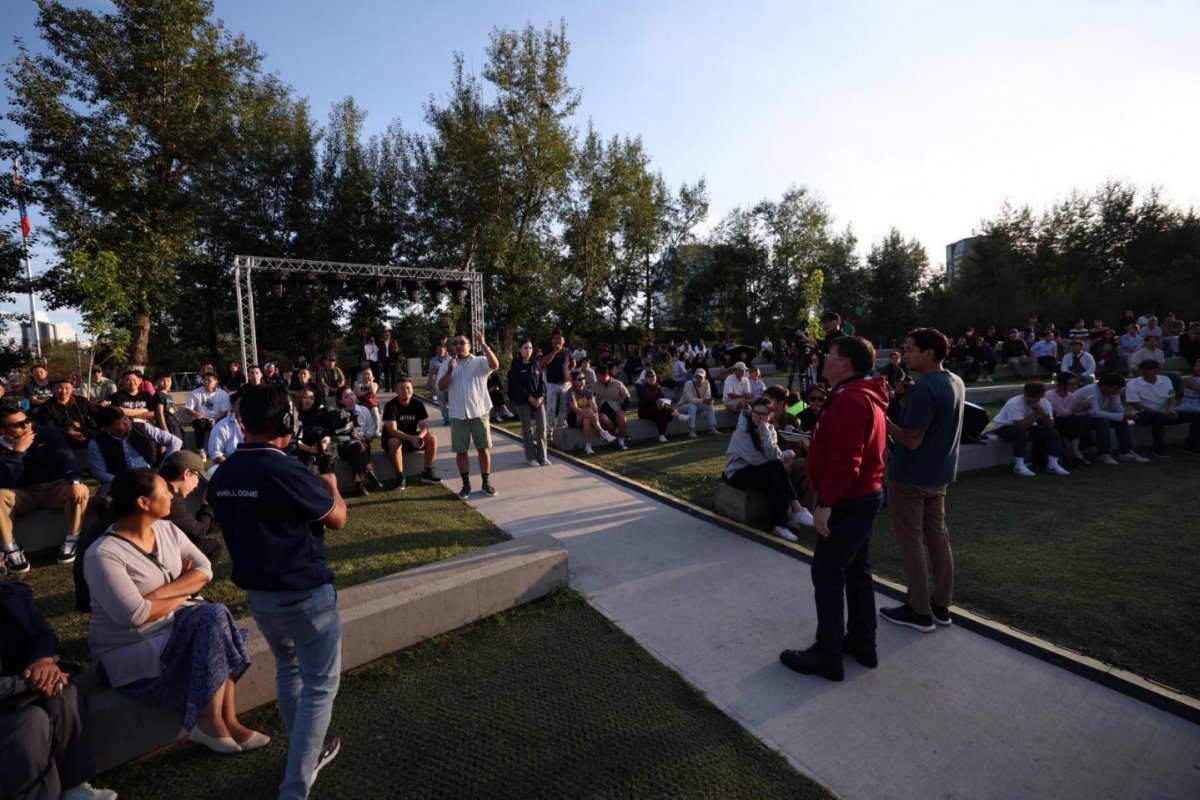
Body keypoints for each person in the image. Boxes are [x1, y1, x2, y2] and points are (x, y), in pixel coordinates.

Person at [209, 385, 348, 798]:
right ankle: (295, 786)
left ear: (243, 422)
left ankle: (307, 752)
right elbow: (337, 518)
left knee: (289, 670)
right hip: (305, 596)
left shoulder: (224, 473)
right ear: (286, 420)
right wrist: (331, 484)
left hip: (260, 597)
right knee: (319, 688)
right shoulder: (285, 470)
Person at [84, 469, 263, 755]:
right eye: (164, 490)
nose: (171, 495)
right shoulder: (103, 554)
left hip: (170, 625)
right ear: (143, 502)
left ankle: (227, 721)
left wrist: (157, 595)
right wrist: (185, 589)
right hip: (129, 647)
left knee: (216, 619)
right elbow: (134, 616)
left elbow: (204, 569)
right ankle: (210, 721)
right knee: (214, 617)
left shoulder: (167, 529)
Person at [779, 336, 889, 682]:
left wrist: (825, 502)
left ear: (846, 363)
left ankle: (828, 654)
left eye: (830, 355)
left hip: (849, 500)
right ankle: (862, 642)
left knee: (827, 573)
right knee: (856, 571)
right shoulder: (856, 394)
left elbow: (846, 459)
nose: (823, 359)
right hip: (862, 496)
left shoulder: (851, 399)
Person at [881, 329, 965, 633]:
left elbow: (911, 439)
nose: (905, 356)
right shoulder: (955, 381)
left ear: (929, 353)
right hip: (939, 473)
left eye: (910, 350)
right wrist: (904, 400)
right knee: (938, 538)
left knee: (911, 542)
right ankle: (940, 605)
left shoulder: (925, 388)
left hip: (911, 475)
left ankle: (918, 610)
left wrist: (882, 418)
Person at [0, 581, 115, 800]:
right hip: (13, 692)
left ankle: (75, 787)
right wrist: (30, 680)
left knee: (64, 694)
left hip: (25, 685)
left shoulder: (12, 593)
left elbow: (44, 634)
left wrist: (44, 661)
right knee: (31, 721)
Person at [1, 406, 89, 572]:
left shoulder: (47, 433)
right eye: (18, 425)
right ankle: (10, 548)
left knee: (80, 489)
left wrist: (74, 481)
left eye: (27, 421)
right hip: (21, 493)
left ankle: (72, 538)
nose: (26, 426)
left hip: (53, 487)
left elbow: (66, 458)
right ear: (3, 430)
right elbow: (6, 481)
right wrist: (18, 453)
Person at [722, 398, 811, 542]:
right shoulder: (742, 432)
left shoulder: (769, 429)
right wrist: (784, 457)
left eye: (763, 414)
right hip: (736, 474)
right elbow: (758, 460)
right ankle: (795, 511)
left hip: (758, 469)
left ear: (771, 415)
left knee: (775, 476)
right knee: (776, 470)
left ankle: (781, 522)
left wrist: (765, 432)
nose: (758, 417)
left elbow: (773, 455)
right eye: (755, 413)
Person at [437, 332, 500, 499]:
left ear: (469, 345)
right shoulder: (447, 364)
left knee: (483, 449)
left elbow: (495, 365)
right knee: (461, 451)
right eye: (455, 343)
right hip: (458, 415)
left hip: (479, 412)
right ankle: (466, 485)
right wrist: (449, 371)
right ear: (452, 347)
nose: (458, 345)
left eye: (462, 343)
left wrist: (484, 345)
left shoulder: (480, 361)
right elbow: (441, 387)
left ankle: (486, 483)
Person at [87, 405, 182, 496]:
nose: (127, 423)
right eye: (120, 423)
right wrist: (126, 481)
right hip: (120, 481)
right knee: (103, 497)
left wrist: (162, 468)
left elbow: (175, 441)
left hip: (148, 476)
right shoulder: (96, 443)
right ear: (107, 429)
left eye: (125, 418)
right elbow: (99, 472)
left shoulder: (142, 428)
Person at [991, 382, 1070, 477]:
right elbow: (1021, 426)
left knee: (1052, 433)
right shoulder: (1014, 403)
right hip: (1003, 427)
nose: (1030, 399)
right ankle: (1018, 466)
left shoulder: (1045, 403)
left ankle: (1052, 465)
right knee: (1021, 434)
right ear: (1024, 393)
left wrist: (1044, 415)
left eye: (1034, 397)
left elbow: (1050, 426)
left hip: (1026, 426)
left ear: (1042, 395)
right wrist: (1036, 412)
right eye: (1028, 396)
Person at [1126, 359, 1200, 457]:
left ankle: (1191, 446)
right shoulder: (1132, 384)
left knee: (1197, 416)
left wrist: (1171, 409)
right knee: (1158, 417)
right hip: (1142, 414)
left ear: (1158, 370)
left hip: (1165, 413)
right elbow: (1137, 406)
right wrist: (1161, 413)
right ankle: (1158, 449)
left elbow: (1171, 398)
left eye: (1150, 368)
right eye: (1143, 369)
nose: (1146, 371)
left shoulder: (1166, 380)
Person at [1069, 373, 1147, 465]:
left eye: (1119, 389)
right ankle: (1104, 454)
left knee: (1120, 421)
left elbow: (1118, 411)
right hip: (1075, 417)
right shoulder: (1091, 390)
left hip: (1091, 418)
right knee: (1103, 421)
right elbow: (1094, 413)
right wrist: (1121, 416)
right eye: (1115, 388)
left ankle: (1126, 452)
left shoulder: (1111, 393)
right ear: (1105, 386)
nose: (1117, 391)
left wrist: (1114, 400)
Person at [381, 377, 441, 490]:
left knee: (432, 438)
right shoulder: (390, 406)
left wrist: (419, 437)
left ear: (412, 389)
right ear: (396, 391)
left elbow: (424, 426)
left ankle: (427, 473)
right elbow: (392, 430)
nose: (406, 391)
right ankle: (400, 478)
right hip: (393, 439)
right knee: (394, 442)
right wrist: (411, 438)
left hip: (412, 438)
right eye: (402, 389)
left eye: (408, 388)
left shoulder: (418, 404)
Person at [329, 386, 383, 496]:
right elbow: (335, 437)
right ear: (340, 401)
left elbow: (372, 428)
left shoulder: (363, 410)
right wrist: (352, 438)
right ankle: (369, 472)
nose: (351, 398)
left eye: (352, 394)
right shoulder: (337, 415)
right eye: (346, 397)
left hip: (361, 444)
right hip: (345, 446)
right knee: (360, 446)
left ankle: (360, 485)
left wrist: (366, 435)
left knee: (360, 447)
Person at [507, 341, 549, 467]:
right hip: (523, 401)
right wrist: (528, 397)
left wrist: (541, 396)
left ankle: (542, 457)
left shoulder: (536, 364)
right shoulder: (516, 365)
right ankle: (531, 458)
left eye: (530, 348)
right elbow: (516, 385)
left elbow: (542, 382)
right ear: (520, 350)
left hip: (538, 401)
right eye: (525, 348)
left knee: (542, 429)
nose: (528, 350)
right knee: (527, 430)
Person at [565, 372, 617, 455]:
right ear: (574, 381)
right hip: (574, 417)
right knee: (588, 410)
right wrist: (590, 415)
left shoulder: (588, 390)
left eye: (584, 378)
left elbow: (593, 404)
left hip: (587, 416)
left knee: (586, 420)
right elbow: (575, 408)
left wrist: (595, 416)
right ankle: (602, 432)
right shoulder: (570, 392)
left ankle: (588, 447)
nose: (582, 381)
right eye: (579, 379)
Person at [1046, 373, 1090, 467]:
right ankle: (1077, 454)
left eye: (1075, 384)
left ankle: (1079, 453)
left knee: (1082, 419)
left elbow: (1070, 412)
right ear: (1061, 384)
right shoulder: (1051, 395)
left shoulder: (1070, 395)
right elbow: (1063, 413)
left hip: (1065, 421)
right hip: (1051, 421)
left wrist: (1083, 407)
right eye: (1070, 384)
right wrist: (1078, 405)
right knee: (1073, 420)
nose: (1073, 387)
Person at [184, 372, 231, 455]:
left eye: (209, 381)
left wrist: (215, 419)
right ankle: (201, 449)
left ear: (216, 382)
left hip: (216, 418)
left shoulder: (223, 394)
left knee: (223, 424)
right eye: (204, 380)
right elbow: (188, 409)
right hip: (200, 419)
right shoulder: (195, 393)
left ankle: (221, 450)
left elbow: (224, 411)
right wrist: (197, 414)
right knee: (200, 423)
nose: (206, 382)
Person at [37, 378, 95, 447]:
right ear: (53, 390)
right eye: (60, 388)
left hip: (87, 435)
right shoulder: (46, 407)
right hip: (62, 438)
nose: (64, 391)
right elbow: (49, 427)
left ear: (72, 389)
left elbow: (95, 414)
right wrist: (70, 432)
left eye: (67, 388)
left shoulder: (82, 401)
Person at [539, 333, 574, 444]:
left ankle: (561, 429)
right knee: (550, 409)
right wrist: (555, 351)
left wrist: (569, 368)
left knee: (564, 408)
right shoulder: (548, 350)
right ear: (552, 341)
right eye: (555, 339)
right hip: (552, 384)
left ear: (563, 341)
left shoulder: (567, 351)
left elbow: (572, 363)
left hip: (565, 384)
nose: (557, 341)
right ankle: (549, 431)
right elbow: (543, 363)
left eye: (559, 339)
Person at [591, 365, 631, 450]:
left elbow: (627, 398)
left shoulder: (618, 384)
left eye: (598, 376)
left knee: (622, 417)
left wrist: (623, 410)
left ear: (605, 375)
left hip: (615, 410)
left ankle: (621, 441)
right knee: (602, 417)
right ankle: (618, 432)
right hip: (603, 412)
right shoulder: (595, 385)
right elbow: (591, 398)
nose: (597, 378)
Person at [636, 371, 682, 444]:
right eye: (650, 377)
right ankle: (676, 414)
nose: (652, 378)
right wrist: (656, 402)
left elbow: (663, 398)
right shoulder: (642, 387)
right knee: (663, 411)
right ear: (646, 379)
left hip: (657, 409)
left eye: (654, 376)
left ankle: (662, 435)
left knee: (663, 413)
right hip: (645, 410)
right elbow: (644, 400)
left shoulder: (657, 387)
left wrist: (662, 402)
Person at [677, 369, 719, 437]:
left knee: (709, 405)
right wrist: (702, 400)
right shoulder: (688, 384)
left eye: (701, 377)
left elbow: (707, 396)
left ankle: (713, 428)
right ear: (694, 377)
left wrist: (709, 400)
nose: (699, 379)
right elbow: (690, 400)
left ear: (704, 378)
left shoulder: (706, 384)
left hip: (697, 405)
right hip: (683, 406)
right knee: (692, 406)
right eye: (697, 377)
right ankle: (691, 431)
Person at [152, 372, 186, 441]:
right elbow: (160, 413)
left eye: (168, 380)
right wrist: (165, 429)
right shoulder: (159, 395)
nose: (166, 383)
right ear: (156, 382)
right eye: (162, 380)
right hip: (168, 425)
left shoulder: (168, 395)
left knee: (179, 443)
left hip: (175, 424)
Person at [428, 344, 451, 426]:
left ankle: (454, 418)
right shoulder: (433, 361)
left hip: (450, 384)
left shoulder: (451, 359)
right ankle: (446, 419)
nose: (439, 352)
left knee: (452, 402)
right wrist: (436, 371)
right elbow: (431, 372)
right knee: (442, 403)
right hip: (439, 384)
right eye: (438, 350)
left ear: (445, 350)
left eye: (441, 350)